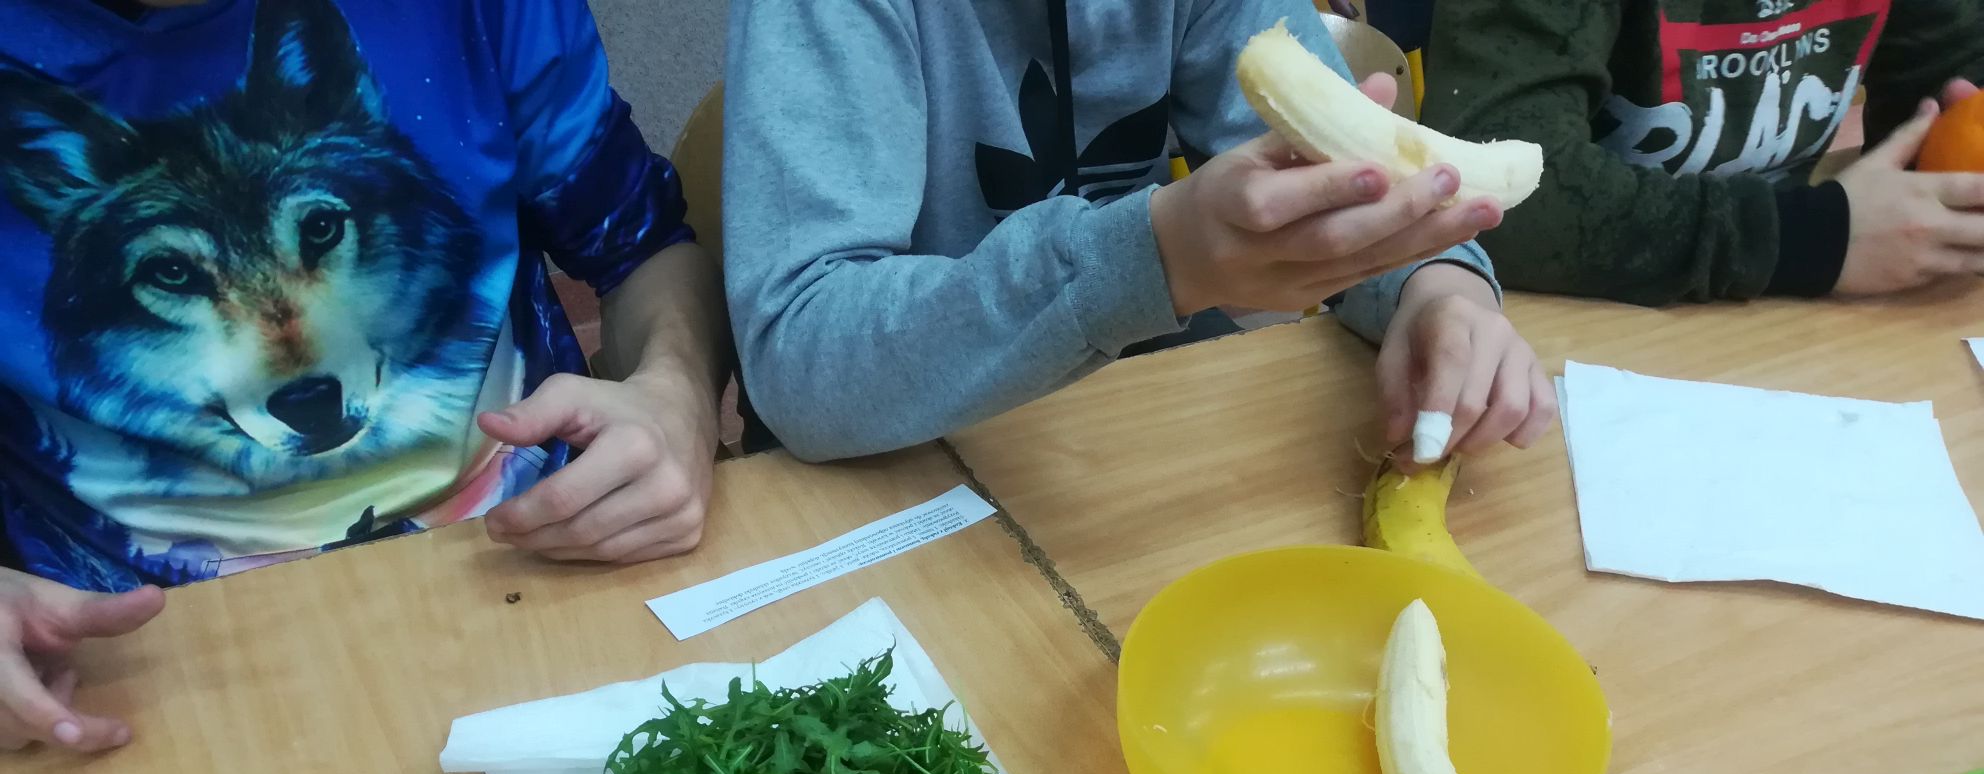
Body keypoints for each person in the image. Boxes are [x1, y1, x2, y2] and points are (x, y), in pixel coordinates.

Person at [0, 0, 727, 753]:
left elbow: (641, 248)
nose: (295, 363)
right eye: (173, 274)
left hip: (541, 561)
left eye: (319, 229)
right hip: (137, 666)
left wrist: (677, 397)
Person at [722, 2, 1556, 465]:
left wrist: (1435, 287)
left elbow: (1348, 176)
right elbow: (800, 358)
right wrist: (1148, 258)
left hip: (1124, 442)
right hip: (898, 460)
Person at [1418, 0, 1984, 303]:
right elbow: (1492, 192)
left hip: (1782, 312)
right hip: (1570, 320)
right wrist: (1815, 236)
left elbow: (1947, 97)